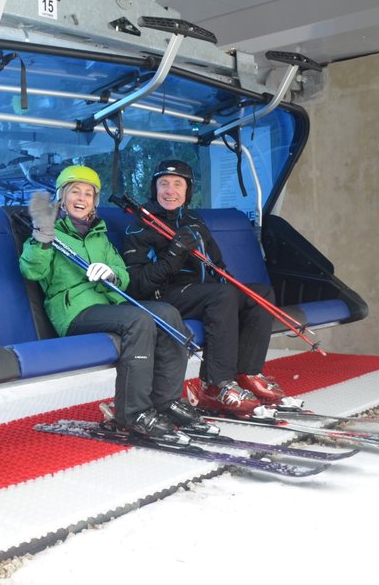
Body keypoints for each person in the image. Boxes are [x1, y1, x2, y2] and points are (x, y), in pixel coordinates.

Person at [19, 165, 210, 443]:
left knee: (168, 313)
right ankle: (133, 413)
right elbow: (32, 271)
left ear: (94, 201)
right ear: (62, 197)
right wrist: (43, 235)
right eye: (75, 192)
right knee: (139, 320)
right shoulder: (49, 234)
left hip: (108, 305)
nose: (81, 198)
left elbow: (122, 274)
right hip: (74, 312)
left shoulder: (99, 236)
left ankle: (166, 401)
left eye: (88, 193)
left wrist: (110, 273)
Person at [122, 159, 285, 415]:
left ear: (187, 190)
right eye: (163, 184)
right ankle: (215, 384)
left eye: (178, 184)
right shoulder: (141, 225)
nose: (170, 190)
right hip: (165, 296)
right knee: (221, 296)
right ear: (154, 189)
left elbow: (217, 264)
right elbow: (139, 284)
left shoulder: (193, 220)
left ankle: (246, 372)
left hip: (204, 293)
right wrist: (174, 253)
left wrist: (232, 285)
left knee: (259, 294)